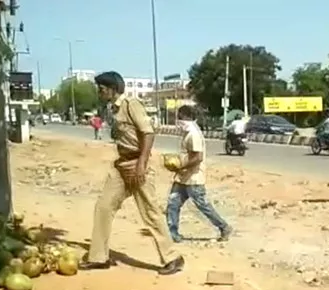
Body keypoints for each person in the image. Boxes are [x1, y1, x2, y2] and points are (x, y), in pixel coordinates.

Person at [82, 71, 184, 275]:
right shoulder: (112, 108)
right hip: (121, 166)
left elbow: (148, 133)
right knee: (104, 206)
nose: (99, 93)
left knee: (150, 212)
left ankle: (173, 257)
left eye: (102, 89)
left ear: (112, 89)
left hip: (138, 163)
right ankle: (99, 256)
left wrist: (141, 163)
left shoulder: (131, 104)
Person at [166, 105, 233, 243]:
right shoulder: (187, 133)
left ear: (186, 117)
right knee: (173, 204)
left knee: (203, 206)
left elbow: (198, 157)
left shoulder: (193, 134)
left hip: (194, 178)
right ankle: (172, 234)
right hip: (183, 177)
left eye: (179, 117)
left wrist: (180, 165)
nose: (178, 120)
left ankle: (224, 227)